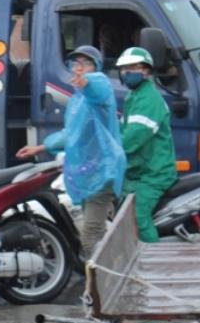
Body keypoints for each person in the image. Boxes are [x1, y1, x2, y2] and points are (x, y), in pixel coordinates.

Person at [16, 45, 126, 257]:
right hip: (88, 173)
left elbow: (98, 87)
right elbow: (70, 134)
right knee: (99, 230)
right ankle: (114, 272)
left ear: (96, 67)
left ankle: (102, 283)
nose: (79, 68)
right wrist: (39, 147)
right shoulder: (77, 101)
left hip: (103, 172)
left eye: (86, 63)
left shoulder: (99, 90)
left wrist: (87, 82)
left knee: (89, 238)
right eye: (76, 63)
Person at [116, 46, 177, 242]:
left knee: (137, 216)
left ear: (146, 70)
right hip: (137, 173)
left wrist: (111, 151)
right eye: (124, 68)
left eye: (133, 67)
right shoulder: (133, 97)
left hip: (154, 174)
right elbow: (119, 131)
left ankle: (152, 261)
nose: (127, 72)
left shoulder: (149, 98)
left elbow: (133, 138)